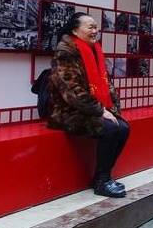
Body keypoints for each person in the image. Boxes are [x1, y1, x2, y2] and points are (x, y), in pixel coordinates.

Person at [48, 12, 130, 198]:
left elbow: (106, 84)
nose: (95, 31)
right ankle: (102, 182)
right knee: (110, 128)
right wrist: (100, 110)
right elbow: (72, 91)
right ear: (75, 30)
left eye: (96, 27)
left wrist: (111, 110)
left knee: (123, 128)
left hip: (91, 109)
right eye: (90, 27)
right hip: (69, 111)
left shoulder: (95, 50)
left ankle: (102, 176)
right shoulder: (66, 53)